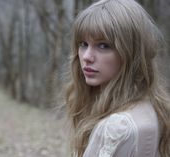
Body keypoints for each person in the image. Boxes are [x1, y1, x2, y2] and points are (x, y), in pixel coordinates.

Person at [64, 0, 170, 157]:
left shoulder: (117, 127)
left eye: (103, 46)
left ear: (131, 52)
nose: (86, 57)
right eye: (83, 44)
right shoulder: (157, 109)